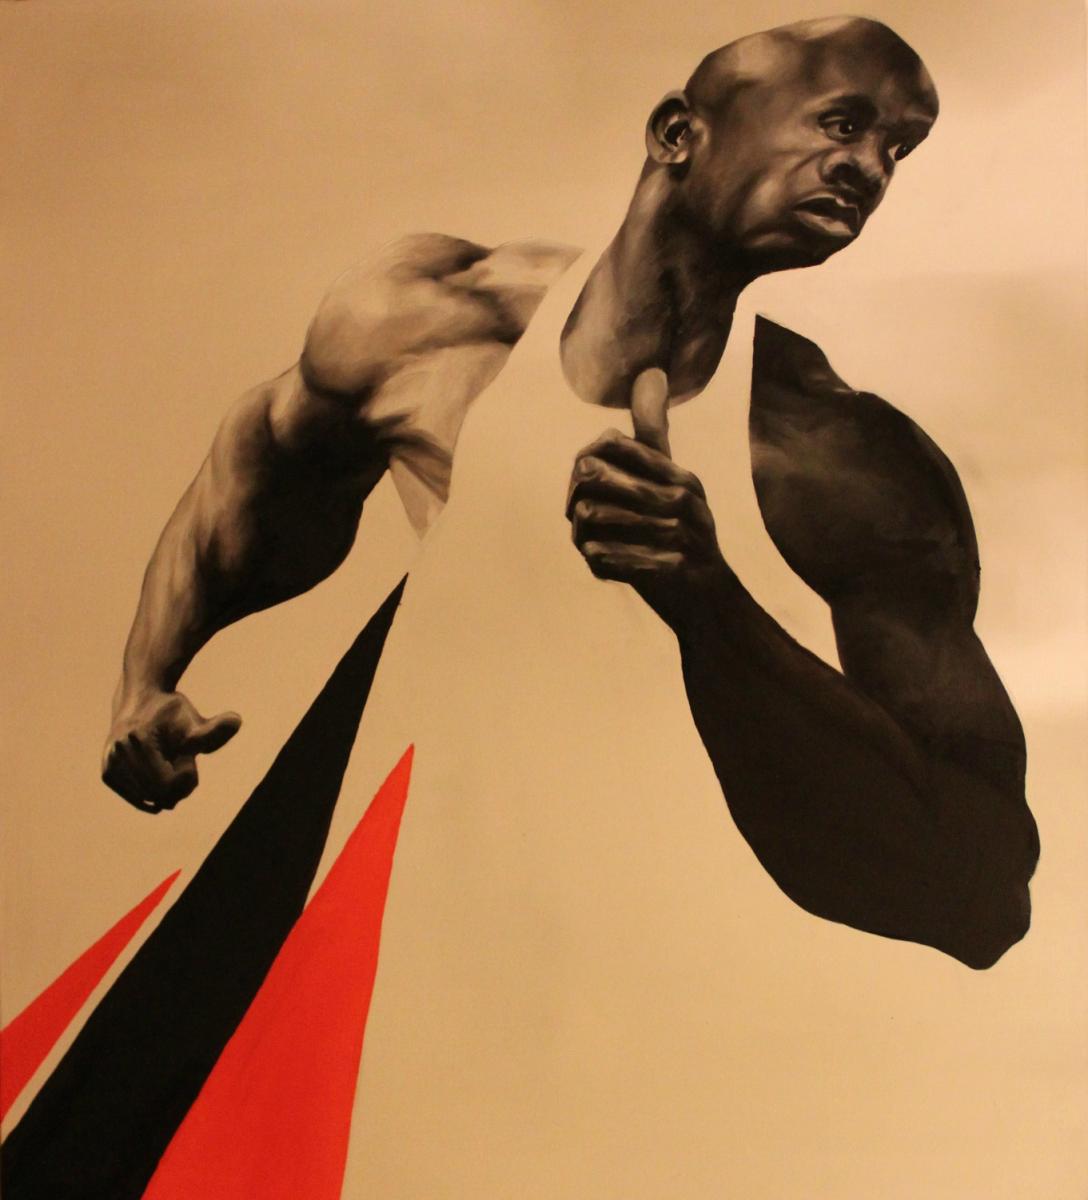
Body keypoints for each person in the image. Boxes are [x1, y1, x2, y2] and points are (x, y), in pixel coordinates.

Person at [101, 16, 1036, 967]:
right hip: (389, 924)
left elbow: (982, 892)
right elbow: (257, 466)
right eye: (844, 124)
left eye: (897, 150)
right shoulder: (430, 319)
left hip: (658, 979)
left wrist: (708, 605)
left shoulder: (847, 460)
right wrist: (147, 683)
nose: (870, 169)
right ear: (678, 133)